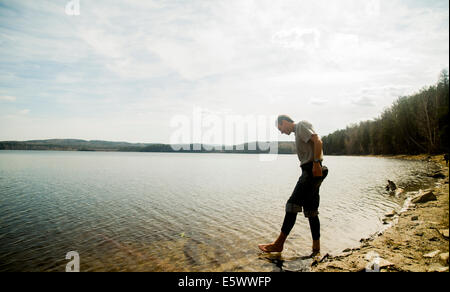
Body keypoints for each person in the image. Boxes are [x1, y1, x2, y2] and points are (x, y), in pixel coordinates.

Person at [258, 115, 328, 255]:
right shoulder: (298, 132)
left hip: (311, 170)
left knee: (292, 205)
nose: (281, 132)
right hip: (312, 170)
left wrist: (315, 163)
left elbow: (318, 141)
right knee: (311, 211)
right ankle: (316, 248)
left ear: (284, 122)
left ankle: (278, 244)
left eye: (280, 128)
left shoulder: (301, 125)